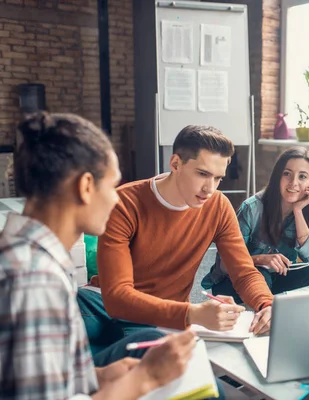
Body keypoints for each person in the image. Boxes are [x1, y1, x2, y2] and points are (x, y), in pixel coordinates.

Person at [0, 112, 197, 399]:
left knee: (152, 341)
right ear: (86, 186)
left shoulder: (27, 251)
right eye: (112, 185)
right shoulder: (34, 278)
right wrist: (144, 379)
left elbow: (41, 375)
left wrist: (101, 376)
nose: (116, 197)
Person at [77, 125, 274, 355]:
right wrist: (192, 313)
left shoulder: (218, 206)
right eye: (202, 174)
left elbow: (244, 272)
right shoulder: (125, 204)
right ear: (176, 164)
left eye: (217, 178)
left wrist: (267, 304)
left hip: (164, 318)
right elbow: (118, 297)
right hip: (105, 306)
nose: (209, 189)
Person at [203, 147, 309, 301]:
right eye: (287, 174)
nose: (293, 183)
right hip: (236, 281)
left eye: (302, 177)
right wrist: (261, 259)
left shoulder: (306, 211)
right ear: (277, 176)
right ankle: (265, 311)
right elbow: (225, 264)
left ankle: (278, 308)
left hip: (276, 279)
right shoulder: (252, 208)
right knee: (262, 275)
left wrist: (298, 211)